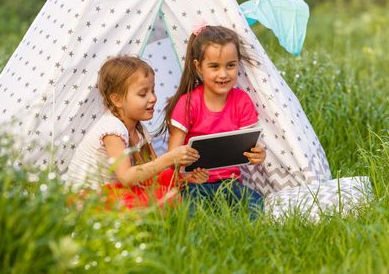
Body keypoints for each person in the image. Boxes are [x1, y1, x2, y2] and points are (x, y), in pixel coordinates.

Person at [64, 55, 208, 209]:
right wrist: (169, 158)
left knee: (168, 187)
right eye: (142, 94)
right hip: (88, 200)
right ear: (117, 100)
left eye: (153, 90)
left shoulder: (139, 130)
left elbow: (152, 174)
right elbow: (126, 177)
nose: (153, 98)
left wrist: (184, 178)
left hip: (112, 192)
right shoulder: (112, 129)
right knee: (169, 197)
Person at [164, 23, 266, 215]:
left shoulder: (241, 101)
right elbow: (172, 159)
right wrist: (188, 177)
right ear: (198, 67)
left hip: (230, 184)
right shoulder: (188, 103)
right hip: (194, 184)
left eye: (230, 65)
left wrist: (257, 156)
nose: (223, 74)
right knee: (192, 213)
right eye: (214, 66)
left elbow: (247, 148)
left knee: (256, 206)